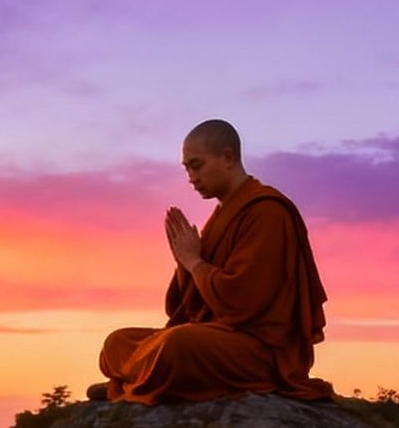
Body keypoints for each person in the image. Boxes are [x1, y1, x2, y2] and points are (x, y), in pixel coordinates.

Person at [91, 120, 334, 405]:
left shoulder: (267, 211)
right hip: (218, 336)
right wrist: (184, 264)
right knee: (116, 342)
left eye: (197, 166)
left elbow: (242, 301)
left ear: (228, 158)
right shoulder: (222, 215)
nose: (191, 178)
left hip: (259, 349)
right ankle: (140, 376)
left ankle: (134, 378)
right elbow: (188, 309)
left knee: (176, 346)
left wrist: (193, 261)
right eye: (186, 169)